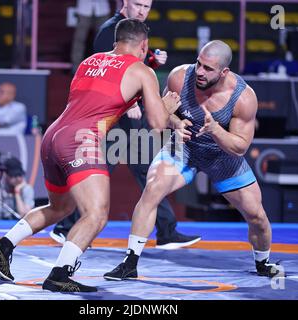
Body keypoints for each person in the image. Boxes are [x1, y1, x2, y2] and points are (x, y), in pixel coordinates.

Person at [0, 18, 182, 292]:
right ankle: (60, 273)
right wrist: (167, 106)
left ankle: (3, 246)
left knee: (60, 208)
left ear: (116, 42)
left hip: (53, 136)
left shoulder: (89, 61)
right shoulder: (141, 70)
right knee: (97, 213)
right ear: (143, 45)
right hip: (80, 140)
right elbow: (158, 123)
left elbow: (96, 104)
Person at [104, 40, 283, 281]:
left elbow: (240, 147)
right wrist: (176, 123)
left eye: (208, 69)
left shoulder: (243, 97)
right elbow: (161, 113)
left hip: (223, 157)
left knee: (257, 216)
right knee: (153, 189)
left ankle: (263, 263)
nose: (200, 71)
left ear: (224, 72)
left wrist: (216, 130)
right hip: (185, 147)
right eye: (199, 64)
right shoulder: (180, 77)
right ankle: (130, 262)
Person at [51, 0, 201, 250]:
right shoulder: (111, 30)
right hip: (114, 117)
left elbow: (130, 67)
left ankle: (166, 230)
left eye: (147, 7)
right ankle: (65, 226)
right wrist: (130, 105)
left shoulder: (133, 30)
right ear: (125, 3)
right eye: (138, 5)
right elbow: (104, 68)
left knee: (145, 168)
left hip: (125, 116)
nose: (143, 11)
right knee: (98, 169)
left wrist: (152, 61)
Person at [70, 0, 110, 72]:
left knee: (104, 38)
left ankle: (103, 66)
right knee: (79, 39)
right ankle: (76, 67)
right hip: (84, 7)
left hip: (102, 7)